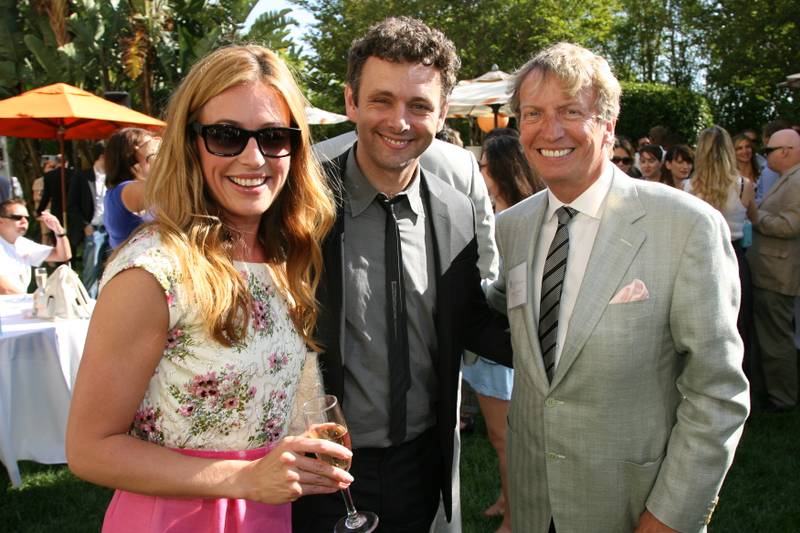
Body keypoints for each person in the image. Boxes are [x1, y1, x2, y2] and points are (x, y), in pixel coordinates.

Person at [65, 45, 353, 533]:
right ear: (190, 142)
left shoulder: (281, 255)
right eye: (226, 136)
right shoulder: (152, 273)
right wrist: (243, 477)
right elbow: (89, 449)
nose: (253, 156)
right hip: (175, 517)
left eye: (274, 136)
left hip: (264, 511)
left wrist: (299, 442)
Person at [486, 42, 749, 532]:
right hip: (532, 502)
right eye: (533, 113)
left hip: (632, 506)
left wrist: (668, 518)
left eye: (570, 111)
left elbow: (717, 392)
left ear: (608, 125)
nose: (551, 130)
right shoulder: (513, 228)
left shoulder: (685, 225)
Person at [292, 17, 512, 533]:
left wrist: (560, 340)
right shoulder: (301, 200)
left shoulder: (456, 210)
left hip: (421, 464)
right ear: (351, 102)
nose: (399, 120)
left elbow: (471, 320)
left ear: (441, 114)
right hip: (321, 468)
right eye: (381, 100)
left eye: (419, 106)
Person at [462, 132, 542, 533]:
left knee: (504, 439)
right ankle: (507, 498)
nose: (478, 172)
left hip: (499, 348)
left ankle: (514, 518)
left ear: (505, 169)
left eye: (485, 166)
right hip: (487, 346)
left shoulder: (517, 221)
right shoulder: (501, 212)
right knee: (504, 439)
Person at [685, 125, 757, 380]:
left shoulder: (688, 187)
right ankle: (740, 379)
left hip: (702, 258)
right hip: (736, 258)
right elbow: (755, 218)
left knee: (705, 325)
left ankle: (708, 379)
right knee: (739, 325)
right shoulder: (742, 185)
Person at [747, 128, 800, 412]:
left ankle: (783, 399)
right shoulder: (788, 179)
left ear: (786, 151)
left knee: (776, 339)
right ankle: (775, 392)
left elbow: (791, 226)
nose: (765, 156)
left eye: (769, 151)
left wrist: (756, 216)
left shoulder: (797, 180)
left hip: (777, 275)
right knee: (770, 336)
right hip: (771, 271)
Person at [103, 128, 160, 248]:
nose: (157, 150)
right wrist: (152, 156)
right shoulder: (126, 190)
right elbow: (170, 187)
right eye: (149, 146)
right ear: (133, 154)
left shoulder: (119, 191)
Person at [0, 198, 71, 294]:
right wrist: (32, 301)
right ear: (1, 221)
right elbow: (4, 289)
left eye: (27, 218)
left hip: (18, 304)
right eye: (17, 217)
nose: (24, 221)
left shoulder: (23, 244)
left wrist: (59, 231)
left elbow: (63, 255)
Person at [67, 142, 109, 297]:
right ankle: (88, 308)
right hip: (94, 229)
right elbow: (72, 205)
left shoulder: (114, 178)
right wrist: (85, 225)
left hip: (112, 230)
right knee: (91, 270)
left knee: (111, 270)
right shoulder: (83, 177)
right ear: (102, 157)